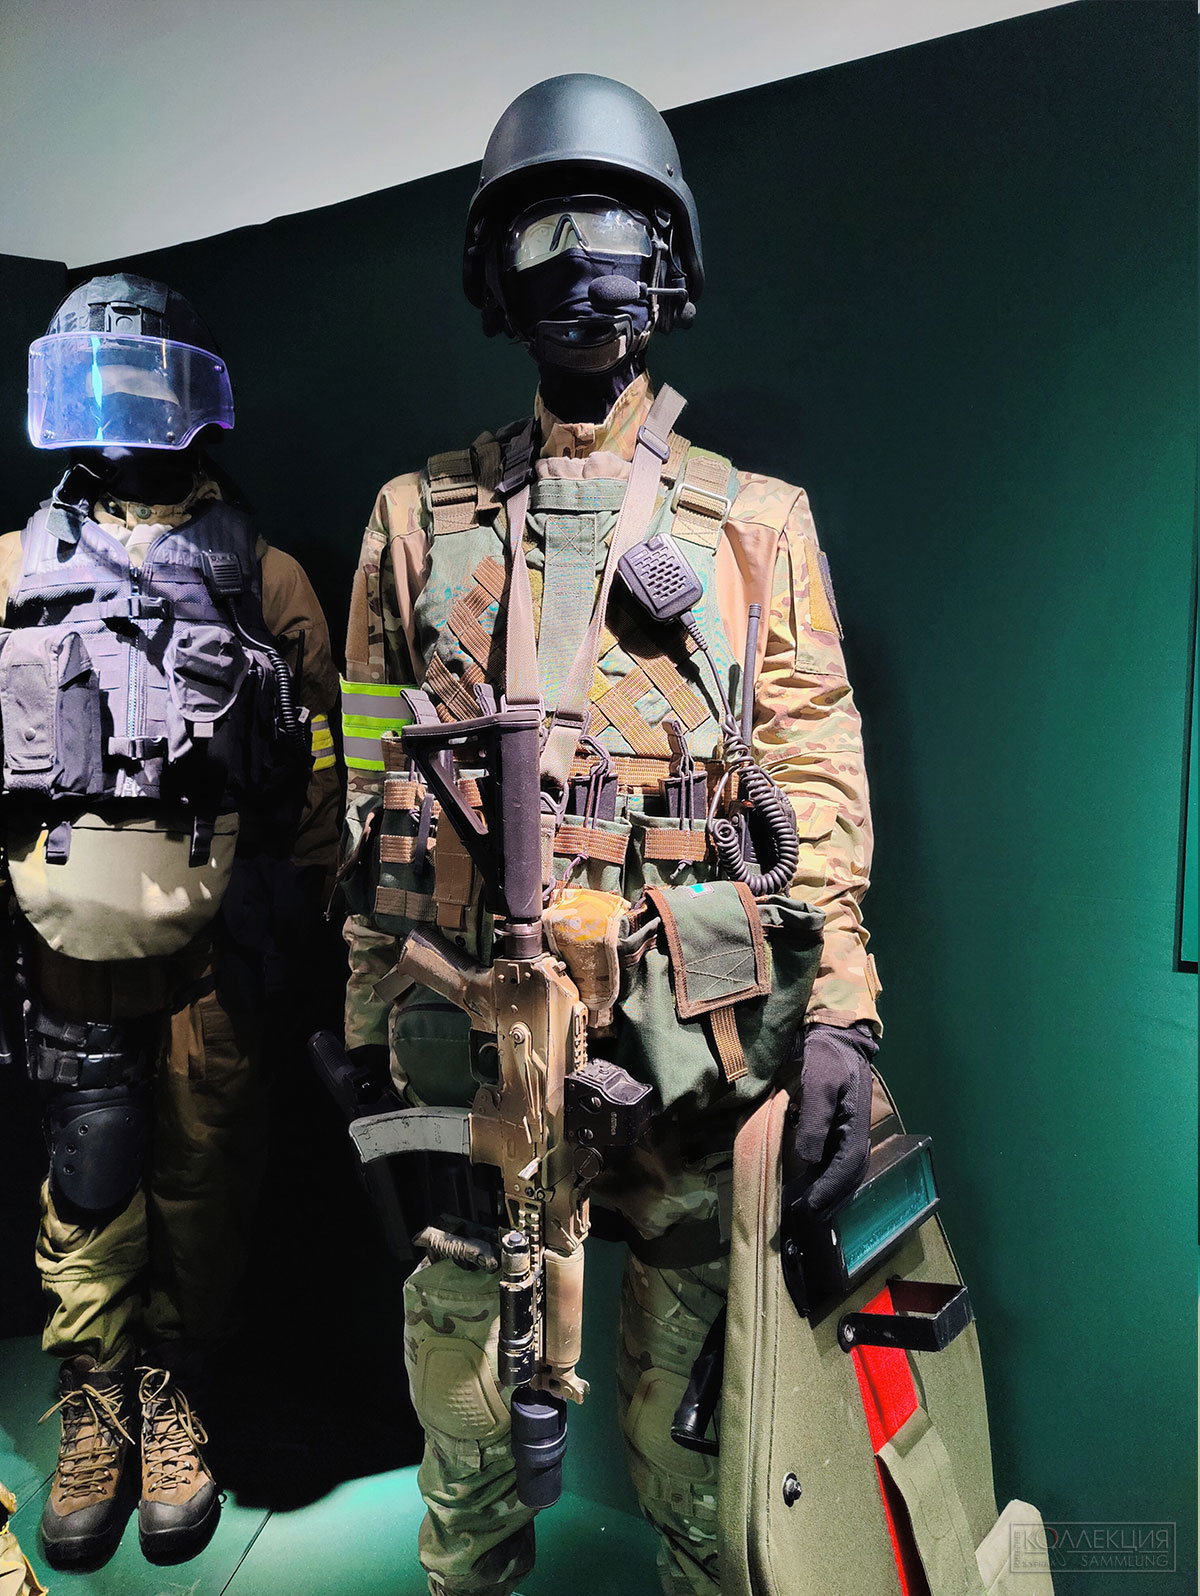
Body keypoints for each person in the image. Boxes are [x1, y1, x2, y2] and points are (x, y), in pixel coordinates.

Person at [340, 76, 881, 1596]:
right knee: (467, 1407)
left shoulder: (754, 523)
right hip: (477, 1031)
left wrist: (840, 1014)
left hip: (691, 1029)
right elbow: (370, 785)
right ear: (495, 276)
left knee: (704, 1428)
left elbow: (814, 775)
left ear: (670, 260)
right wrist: (370, 1008)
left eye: (617, 230)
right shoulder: (414, 523)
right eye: (543, 236)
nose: (583, 268)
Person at [0, 273, 339, 1569]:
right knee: (88, 1175)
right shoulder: (14, 570)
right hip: (65, 943)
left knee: (206, 1179)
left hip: (217, 948)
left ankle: (173, 1394)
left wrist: (311, 914)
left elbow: (326, 773)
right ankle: (93, 1402)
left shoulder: (267, 577)